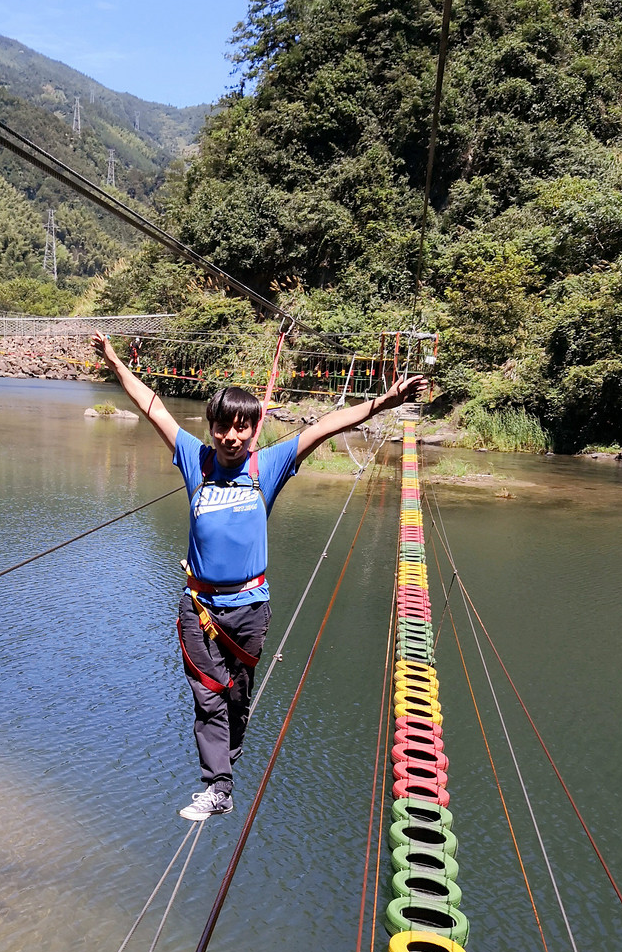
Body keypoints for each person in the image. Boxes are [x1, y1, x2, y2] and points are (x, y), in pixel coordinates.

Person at [91, 333, 426, 820]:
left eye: (242, 429)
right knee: (208, 698)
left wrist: (384, 402)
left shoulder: (264, 466)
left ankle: (227, 755)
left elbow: (327, 427)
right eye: (223, 427)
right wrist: (115, 361)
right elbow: (153, 407)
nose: (231, 437)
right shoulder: (196, 461)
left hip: (249, 610)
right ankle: (218, 787)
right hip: (199, 609)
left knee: (235, 698)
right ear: (210, 428)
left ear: (253, 431)